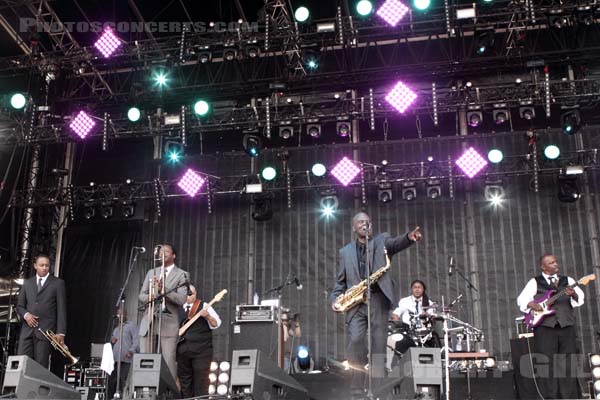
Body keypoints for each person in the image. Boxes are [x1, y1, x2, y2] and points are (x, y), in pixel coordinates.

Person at [330, 212, 422, 395]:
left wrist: (408, 238)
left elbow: (396, 244)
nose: (365, 224)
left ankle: (378, 386)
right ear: (354, 227)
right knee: (355, 340)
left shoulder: (382, 241)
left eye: (367, 221)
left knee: (379, 345)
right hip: (356, 304)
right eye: (361, 222)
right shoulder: (345, 252)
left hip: (378, 299)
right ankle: (357, 384)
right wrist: (335, 298)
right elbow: (340, 282)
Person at [516, 254, 584, 399]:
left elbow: (580, 299)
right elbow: (521, 299)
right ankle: (550, 397)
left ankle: (568, 396)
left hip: (566, 326)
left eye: (555, 262)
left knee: (568, 363)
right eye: (551, 263)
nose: (555, 264)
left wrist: (573, 295)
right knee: (546, 363)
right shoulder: (535, 282)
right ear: (543, 267)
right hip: (545, 328)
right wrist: (531, 304)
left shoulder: (568, 280)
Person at [138, 244, 188, 383]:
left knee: (169, 361)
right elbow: (141, 295)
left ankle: (169, 394)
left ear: (174, 255)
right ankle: (145, 391)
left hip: (168, 321)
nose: (162, 253)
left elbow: (182, 299)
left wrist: (163, 289)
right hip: (149, 320)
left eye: (166, 251)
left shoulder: (182, 274)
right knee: (145, 359)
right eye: (160, 252)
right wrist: (149, 298)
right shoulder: (151, 272)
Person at [16, 254, 67, 369]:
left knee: (40, 368)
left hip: (45, 331)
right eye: (41, 265)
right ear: (35, 266)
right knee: (22, 364)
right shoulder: (27, 283)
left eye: (47, 266)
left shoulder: (58, 283)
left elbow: (62, 310)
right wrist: (26, 315)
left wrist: (61, 333)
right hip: (27, 331)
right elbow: (19, 306)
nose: (44, 268)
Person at [177, 284, 221, 398]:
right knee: (185, 382)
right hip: (182, 351)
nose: (188, 296)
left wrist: (208, 317)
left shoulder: (204, 306)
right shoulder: (177, 308)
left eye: (191, 293)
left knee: (201, 381)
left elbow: (216, 324)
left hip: (201, 350)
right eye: (186, 293)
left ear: (195, 294)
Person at [387, 280, 438, 369]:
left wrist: (429, 316)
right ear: (411, 289)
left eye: (419, 287)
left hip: (425, 332)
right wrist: (398, 322)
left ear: (423, 290)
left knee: (435, 337)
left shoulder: (429, 302)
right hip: (408, 331)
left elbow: (433, 317)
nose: (417, 290)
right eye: (415, 287)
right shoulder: (405, 301)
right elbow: (396, 314)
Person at [107, 310, 139, 400]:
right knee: (112, 381)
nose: (119, 315)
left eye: (121, 313)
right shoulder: (116, 329)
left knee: (123, 381)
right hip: (115, 359)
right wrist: (112, 341)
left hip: (126, 359)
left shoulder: (131, 326)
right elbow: (112, 343)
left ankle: (125, 398)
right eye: (118, 314)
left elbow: (136, 340)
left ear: (126, 314)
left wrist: (131, 351)